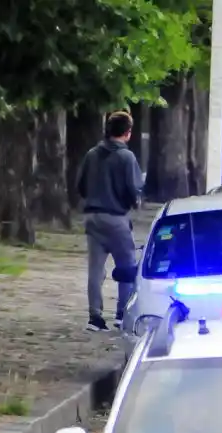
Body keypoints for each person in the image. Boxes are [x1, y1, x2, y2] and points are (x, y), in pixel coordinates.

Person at [75, 111, 142, 332]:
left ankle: (95, 316)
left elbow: (80, 185)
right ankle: (122, 314)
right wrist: (134, 202)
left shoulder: (92, 154)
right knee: (126, 267)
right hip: (116, 217)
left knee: (95, 270)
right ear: (128, 132)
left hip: (92, 217)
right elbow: (133, 188)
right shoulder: (126, 157)